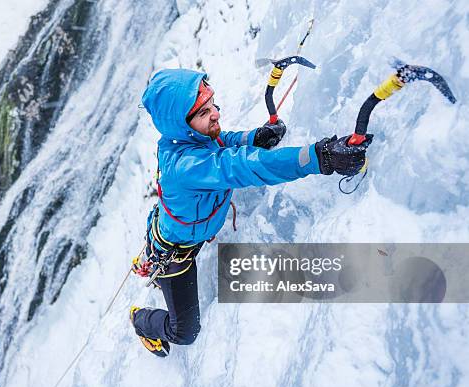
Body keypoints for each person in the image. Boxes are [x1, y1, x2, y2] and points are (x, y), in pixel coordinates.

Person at [130, 68, 371, 357]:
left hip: (175, 229)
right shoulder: (187, 167)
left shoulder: (187, 137)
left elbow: (223, 142)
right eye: (203, 111)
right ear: (182, 124)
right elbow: (245, 166)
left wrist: (255, 137)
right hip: (175, 252)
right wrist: (320, 157)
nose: (215, 114)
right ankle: (140, 320)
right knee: (185, 332)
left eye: (212, 104)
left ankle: (147, 261)